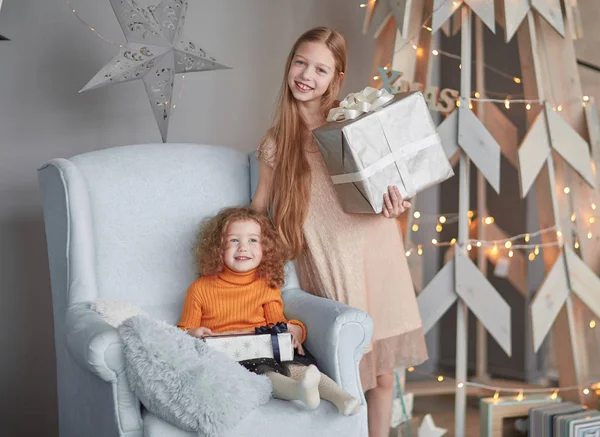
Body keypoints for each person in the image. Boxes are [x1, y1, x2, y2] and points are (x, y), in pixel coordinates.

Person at [251, 27, 428, 437]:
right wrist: (243, 247)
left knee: (384, 377)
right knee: (354, 374)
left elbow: (390, 184)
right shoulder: (277, 143)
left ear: (337, 78)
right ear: (289, 64)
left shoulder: (352, 123)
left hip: (377, 246)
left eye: (320, 69)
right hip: (331, 258)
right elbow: (259, 206)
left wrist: (396, 201)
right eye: (301, 62)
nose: (306, 75)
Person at [177, 206, 361, 416]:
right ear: (218, 247)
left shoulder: (266, 285)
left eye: (253, 240)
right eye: (234, 240)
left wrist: (295, 330)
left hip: (264, 346)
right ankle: (299, 392)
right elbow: (182, 331)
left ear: (265, 248)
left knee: (296, 364)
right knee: (264, 371)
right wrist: (194, 333)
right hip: (229, 356)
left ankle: (341, 397)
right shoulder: (200, 288)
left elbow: (277, 322)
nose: (243, 248)